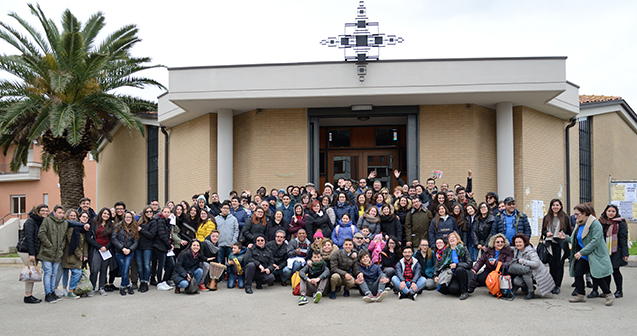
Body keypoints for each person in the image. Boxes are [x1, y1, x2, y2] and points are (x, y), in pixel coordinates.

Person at [560, 204, 614, 305]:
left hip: (594, 253)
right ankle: (580, 294)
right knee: (578, 272)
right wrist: (565, 237)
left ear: (585, 213)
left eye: (577, 214)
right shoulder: (579, 223)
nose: (575, 216)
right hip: (584, 254)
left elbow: (595, 241)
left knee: (596, 275)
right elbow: (575, 239)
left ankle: (609, 294)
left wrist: (581, 252)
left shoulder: (595, 224)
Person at [593, 204, 629, 298]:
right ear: (606, 212)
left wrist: (625, 253)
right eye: (609, 211)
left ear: (616, 213)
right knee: (606, 271)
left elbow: (623, 238)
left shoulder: (620, 223)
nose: (611, 213)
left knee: (615, 270)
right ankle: (607, 291)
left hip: (616, 250)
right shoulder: (601, 222)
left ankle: (619, 290)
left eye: (613, 211)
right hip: (603, 250)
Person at [38, 205, 70, 303]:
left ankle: (52, 292)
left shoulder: (64, 223)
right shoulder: (47, 220)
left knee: (54, 273)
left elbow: (64, 237)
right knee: (48, 272)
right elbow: (41, 233)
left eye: (63, 213)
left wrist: (61, 247)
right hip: (47, 252)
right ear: (54, 212)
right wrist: (49, 245)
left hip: (58, 253)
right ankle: (47, 294)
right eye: (59, 213)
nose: (61, 215)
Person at [18, 204, 49, 303]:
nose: (45, 212)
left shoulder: (40, 221)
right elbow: (29, 239)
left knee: (32, 273)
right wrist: (32, 254)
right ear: (37, 211)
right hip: (26, 250)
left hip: (32, 250)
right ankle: (28, 296)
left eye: (46, 210)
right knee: (30, 273)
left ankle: (29, 294)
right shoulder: (31, 221)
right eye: (42, 210)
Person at [541, 198, 572, 294]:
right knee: (552, 265)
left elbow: (569, 232)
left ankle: (557, 285)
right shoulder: (547, 217)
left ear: (561, 206)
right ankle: (552, 284)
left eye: (557, 205)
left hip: (561, 245)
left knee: (559, 265)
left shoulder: (565, 217)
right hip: (550, 244)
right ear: (551, 206)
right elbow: (543, 231)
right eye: (553, 205)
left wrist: (563, 235)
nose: (555, 207)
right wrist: (547, 233)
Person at [510, 233, 555, 300]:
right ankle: (529, 287)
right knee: (516, 281)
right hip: (525, 271)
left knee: (525, 271)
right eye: (516, 242)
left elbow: (536, 264)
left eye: (520, 242)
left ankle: (531, 292)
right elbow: (506, 247)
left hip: (536, 273)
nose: (518, 244)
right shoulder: (516, 250)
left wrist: (522, 261)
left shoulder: (531, 251)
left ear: (525, 242)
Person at [60, 210, 89, 299]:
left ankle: (74, 290)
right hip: (71, 254)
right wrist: (79, 254)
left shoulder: (84, 229)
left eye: (87, 217)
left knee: (77, 272)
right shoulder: (72, 227)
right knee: (77, 272)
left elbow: (85, 244)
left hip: (79, 254)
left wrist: (86, 255)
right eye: (83, 217)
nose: (85, 218)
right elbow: (71, 242)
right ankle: (70, 291)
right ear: (79, 217)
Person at [433, 232, 472, 300]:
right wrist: (435, 275)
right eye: (449, 238)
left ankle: (464, 291)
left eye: (453, 237)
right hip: (451, 274)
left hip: (463, 274)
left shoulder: (464, 249)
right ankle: (456, 288)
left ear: (457, 239)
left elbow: (469, 264)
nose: (451, 239)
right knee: (453, 289)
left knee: (459, 269)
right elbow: (441, 263)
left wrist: (456, 265)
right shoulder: (447, 250)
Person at [86, 207, 114, 296]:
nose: (106, 215)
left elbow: (112, 238)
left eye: (108, 214)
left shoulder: (111, 225)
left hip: (106, 250)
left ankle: (101, 287)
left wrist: (106, 247)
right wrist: (99, 246)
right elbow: (88, 237)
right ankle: (92, 287)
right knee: (95, 269)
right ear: (101, 214)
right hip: (96, 249)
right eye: (104, 213)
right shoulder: (93, 223)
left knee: (104, 269)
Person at [111, 211, 139, 295]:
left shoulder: (134, 228)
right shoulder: (118, 227)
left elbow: (136, 241)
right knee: (123, 268)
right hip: (119, 252)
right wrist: (122, 248)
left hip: (129, 252)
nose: (128, 219)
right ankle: (128, 285)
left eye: (130, 217)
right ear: (124, 218)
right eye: (126, 217)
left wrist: (130, 249)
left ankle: (122, 286)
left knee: (126, 268)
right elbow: (114, 238)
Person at [215, 202, 240, 277]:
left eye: (227, 208)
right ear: (221, 209)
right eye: (224, 208)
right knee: (220, 262)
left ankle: (230, 276)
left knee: (230, 262)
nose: (225, 210)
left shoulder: (233, 219)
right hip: (220, 244)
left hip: (230, 244)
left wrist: (234, 242)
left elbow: (236, 231)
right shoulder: (216, 219)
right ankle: (220, 277)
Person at [154, 207, 175, 290]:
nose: (166, 213)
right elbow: (162, 235)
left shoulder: (168, 222)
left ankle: (164, 280)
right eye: (165, 212)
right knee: (161, 265)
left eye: (168, 212)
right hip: (160, 247)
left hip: (167, 247)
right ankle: (159, 282)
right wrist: (169, 246)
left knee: (171, 264)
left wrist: (170, 245)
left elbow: (169, 235)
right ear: (162, 212)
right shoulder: (160, 221)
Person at [136, 206, 155, 293]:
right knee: (139, 266)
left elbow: (151, 235)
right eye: (147, 211)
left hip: (148, 247)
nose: (149, 213)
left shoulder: (153, 222)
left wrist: (141, 230)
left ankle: (146, 282)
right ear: (144, 213)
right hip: (138, 247)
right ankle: (141, 281)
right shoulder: (139, 222)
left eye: (150, 211)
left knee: (146, 265)